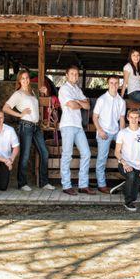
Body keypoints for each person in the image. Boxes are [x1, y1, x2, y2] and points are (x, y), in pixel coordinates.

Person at [3, 69, 55, 192]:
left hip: (36, 126)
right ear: (19, 81)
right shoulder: (18, 94)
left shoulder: (32, 92)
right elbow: (5, 108)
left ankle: (44, 182)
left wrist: (43, 92)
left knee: (44, 153)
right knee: (25, 156)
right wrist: (20, 114)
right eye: (23, 78)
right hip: (26, 126)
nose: (25, 80)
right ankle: (22, 183)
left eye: (27, 78)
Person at [58, 65, 92, 196]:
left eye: (76, 74)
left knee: (86, 153)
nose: (75, 76)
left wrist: (78, 101)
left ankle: (83, 185)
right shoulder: (64, 89)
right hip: (67, 125)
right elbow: (71, 105)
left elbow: (88, 105)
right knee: (67, 155)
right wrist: (80, 103)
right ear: (67, 75)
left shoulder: (77, 89)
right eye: (72, 74)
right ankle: (66, 185)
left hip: (78, 126)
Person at [93, 75, 126, 194]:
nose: (114, 85)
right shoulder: (101, 99)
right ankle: (101, 185)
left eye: (116, 83)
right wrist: (100, 130)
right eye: (111, 83)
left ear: (119, 84)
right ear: (108, 84)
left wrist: (122, 135)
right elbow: (95, 117)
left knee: (127, 151)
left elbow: (122, 119)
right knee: (102, 159)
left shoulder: (121, 101)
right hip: (104, 132)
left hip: (116, 131)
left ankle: (129, 180)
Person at [114, 109, 140, 211]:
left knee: (134, 196)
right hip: (124, 163)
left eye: (136, 117)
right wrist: (124, 163)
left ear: (139, 118)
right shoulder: (122, 133)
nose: (134, 120)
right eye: (132, 117)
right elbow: (116, 152)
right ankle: (127, 202)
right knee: (131, 175)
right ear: (128, 118)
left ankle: (126, 186)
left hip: (137, 166)